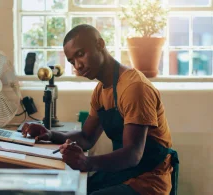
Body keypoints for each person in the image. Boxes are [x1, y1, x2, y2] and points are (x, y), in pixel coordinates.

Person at [21, 24, 179, 195]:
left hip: (148, 181)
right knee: (67, 189)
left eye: (80, 54)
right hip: (124, 173)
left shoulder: (134, 87)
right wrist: (50, 135)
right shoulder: (101, 90)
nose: (77, 65)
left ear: (100, 45)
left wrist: (86, 162)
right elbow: (86, 137)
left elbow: (133, 155)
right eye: (72, 61)